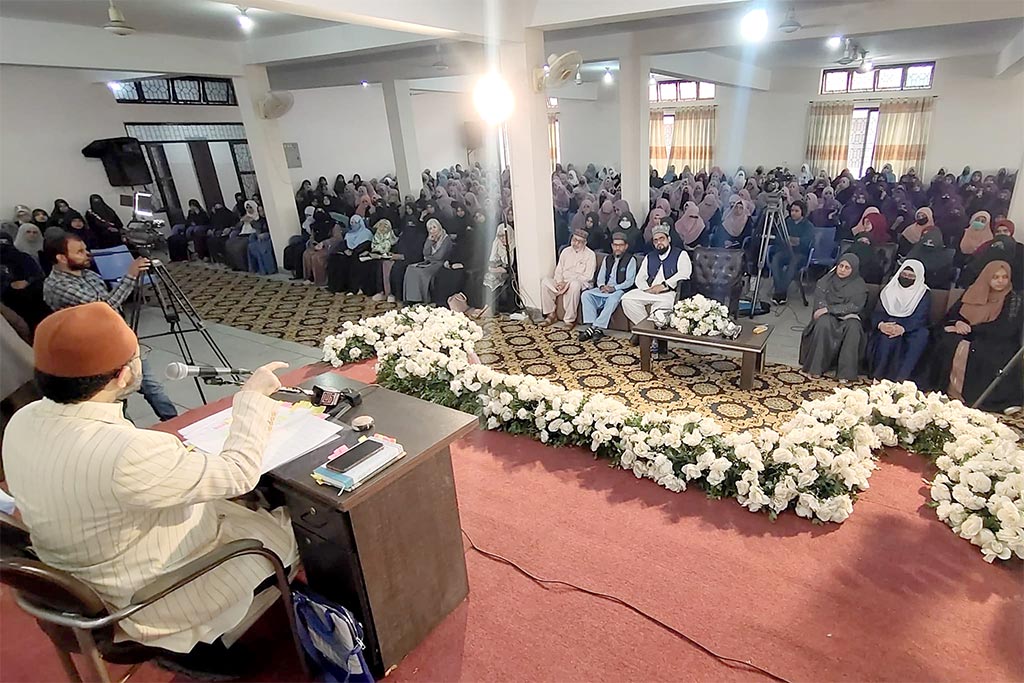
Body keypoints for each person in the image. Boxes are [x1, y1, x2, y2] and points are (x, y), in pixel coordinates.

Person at [2, 302, 297, 677]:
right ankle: (203, 644)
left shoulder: (22, 420)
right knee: (287, 529)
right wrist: (252, 399)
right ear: (123, 375)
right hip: (141, 596)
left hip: (79, 577)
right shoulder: (123, 454)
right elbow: (239, 473)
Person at [40, 233, 177, 421]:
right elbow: (105, 308)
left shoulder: (88, 274)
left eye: (85, 249)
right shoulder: (57, 285)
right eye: (80, 252)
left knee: (152, 386)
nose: (87, 254)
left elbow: (112, 305)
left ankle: (174, 423)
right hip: (95, 353)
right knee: (115, 399)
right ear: (61, 258)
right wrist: (131, 275)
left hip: (121, 341)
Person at [921, 260, 1022, 411]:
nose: (1000, 281)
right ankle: (948, 390)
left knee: (980, 352)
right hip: (966, 333)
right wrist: (958, 323)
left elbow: (1007, 328)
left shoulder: (1013, 299)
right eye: (995, 277)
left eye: (1004, 277)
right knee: (947, 340)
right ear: (986, 277)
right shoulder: (973, 292)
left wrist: (971, 329)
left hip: (996, 339)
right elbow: (952, 316)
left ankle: (980, 399)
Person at [799, 253, 868, 380]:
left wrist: (830, 309)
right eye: (840, 266)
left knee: (853, 326)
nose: (842, 270)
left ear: (854, 270)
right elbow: (820, 303)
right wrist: (828, 310)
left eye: (847, 268)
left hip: (847, 318)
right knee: (823, 322)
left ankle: (845, 374)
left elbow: (855, 306)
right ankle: (816, 368)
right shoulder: (825, 281)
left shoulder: (859, 285)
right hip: (829, 316)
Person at [621, 225, 692, 333]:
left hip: (668, 293)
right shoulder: (650, 256)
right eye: (656, 240)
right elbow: (640, 278)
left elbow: (685, 273)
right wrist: (648, 289)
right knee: (627, 299)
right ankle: (647, 330)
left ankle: (646, 333)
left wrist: (664, 285)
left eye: (662, 239)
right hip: (649, 291)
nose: (659, 243)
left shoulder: (681, 254)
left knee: (659, 312)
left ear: (669, 239)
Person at [868, 260, 930, 381]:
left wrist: (903, 328)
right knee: (886, 337)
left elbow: (921, 316)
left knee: (921, 336)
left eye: (911, 276)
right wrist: (881, 325)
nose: (906, 278)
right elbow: (877, 312)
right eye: (904, 275)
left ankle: (902, 379)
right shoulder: (889, 290)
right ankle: (879, 376)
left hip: (912, 326)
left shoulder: (923, 293)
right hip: (889, 323)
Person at [578, 232, 636, 343]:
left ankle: (595, 328)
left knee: (613, 298)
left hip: (619, 290)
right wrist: (601, 286)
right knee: (586, 294)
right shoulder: (607, 259)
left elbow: (629, 281)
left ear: (626, 246)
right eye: (615, 245)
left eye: (620, 245)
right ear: (612, 246)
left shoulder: (630, 260)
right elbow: (600, 277)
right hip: (604, 289)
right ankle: (592, 326)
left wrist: (614, 288)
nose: (617, 248)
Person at [540, 229, 597, 327]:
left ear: (585, 243)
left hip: (580, 283)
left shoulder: (590, 255)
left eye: (579, 241)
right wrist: (559, 282)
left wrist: (567, 283)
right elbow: (559, 270)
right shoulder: (565, 251)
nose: (576, 243)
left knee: (575, 285)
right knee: (545, 281)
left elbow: (588, 276)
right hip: (563, 281)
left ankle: (569, 320)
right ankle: (551, 314)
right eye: (574, 240)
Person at [768, 200, 814, 305]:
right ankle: (781, 290)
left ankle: (780, 292)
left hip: (800, 254)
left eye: (796, 211)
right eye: (792, 210)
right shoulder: (786, 222)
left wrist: (792, 240)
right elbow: (779, 237)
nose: (793, 213)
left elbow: (805, 242)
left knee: (793, 263)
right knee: (775, 260)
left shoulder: (808, 225)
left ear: (802, 212)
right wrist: (792, 241)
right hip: (785, 251)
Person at [1, 232, 49, 330]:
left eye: (5, 242)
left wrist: (27, 281)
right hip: (6, 302)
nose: (3, 245)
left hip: (32, 297)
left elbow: (38, 274)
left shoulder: (23, 257)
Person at [403, 218, 452, 303]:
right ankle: (411, 298)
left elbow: (439, 256)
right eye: (430, 228)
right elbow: (425, 252)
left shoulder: (446, 239)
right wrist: (429, 241)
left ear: (439, 227)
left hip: (439, 264)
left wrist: (429, 257)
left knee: (420, 273)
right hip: (429, 262)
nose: (433, 230)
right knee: (410, 269)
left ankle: (420, 298)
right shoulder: (430, 237)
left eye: (434, 227)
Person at [389, 205, 428, 303]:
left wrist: (404, 256)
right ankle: (397, 294)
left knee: (401, 269)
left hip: (414, 259)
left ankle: (404, 296)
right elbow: (397, 247)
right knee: (395, 269)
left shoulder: (420, 237)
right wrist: (393, 254)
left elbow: (419, 253)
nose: (410, 227)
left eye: (412, 225)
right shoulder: (404, 235)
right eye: (408, 225)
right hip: (402, 258)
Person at [327, 214, 372, 294]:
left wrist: (353, 251)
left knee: (353, 260)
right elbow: (343, 244)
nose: (353, 224)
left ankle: (354, 288)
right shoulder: (349, 234)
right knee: (334, 258)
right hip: (348, 253)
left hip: (359, 253)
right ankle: (337, 287)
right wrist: (345, 250)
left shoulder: (366, 233)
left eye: (355, 222)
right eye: (352, 222)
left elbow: (366, 246)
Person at [302, 209, 342, 287]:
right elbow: (312, 238)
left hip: (330, 247)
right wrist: (314, 243)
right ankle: (310, 277)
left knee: (317, 257)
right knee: (306, 254)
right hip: (316, 246)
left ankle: (320, 280)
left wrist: (324, 243)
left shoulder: (334, 225)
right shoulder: (314, 225)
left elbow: (338, 238)